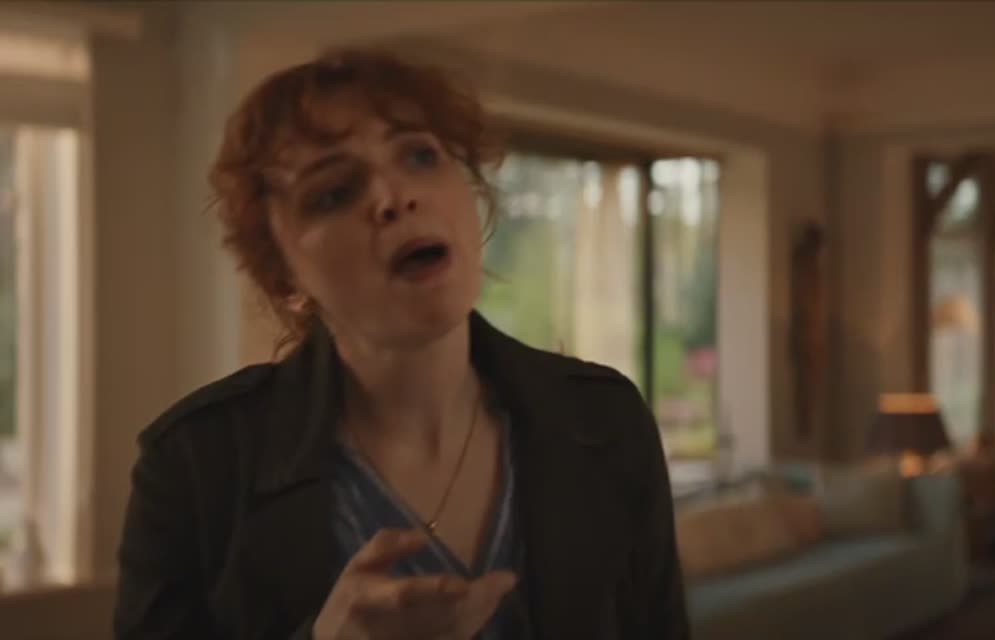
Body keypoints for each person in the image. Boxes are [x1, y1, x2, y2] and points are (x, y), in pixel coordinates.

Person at [113, 49, 689, 640]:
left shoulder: (606, 420)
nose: (396, 196)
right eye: (335, 193)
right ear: (284, 276)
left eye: (419, 156)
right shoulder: (194, 468)